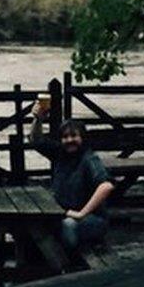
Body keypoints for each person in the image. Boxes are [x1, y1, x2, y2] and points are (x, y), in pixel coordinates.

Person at [29, 105, 115, 250]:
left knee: (67, 225)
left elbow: (106, 186)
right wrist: (38, 119)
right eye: (65, 137)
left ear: (82, 138)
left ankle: (71, 261)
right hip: (63, 213)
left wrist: (82, 214)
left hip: (92, 219)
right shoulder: (59, 154)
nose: (70, 140)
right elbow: (36, 140)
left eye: (74, 136)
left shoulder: (89, 159)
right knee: (34, 223)